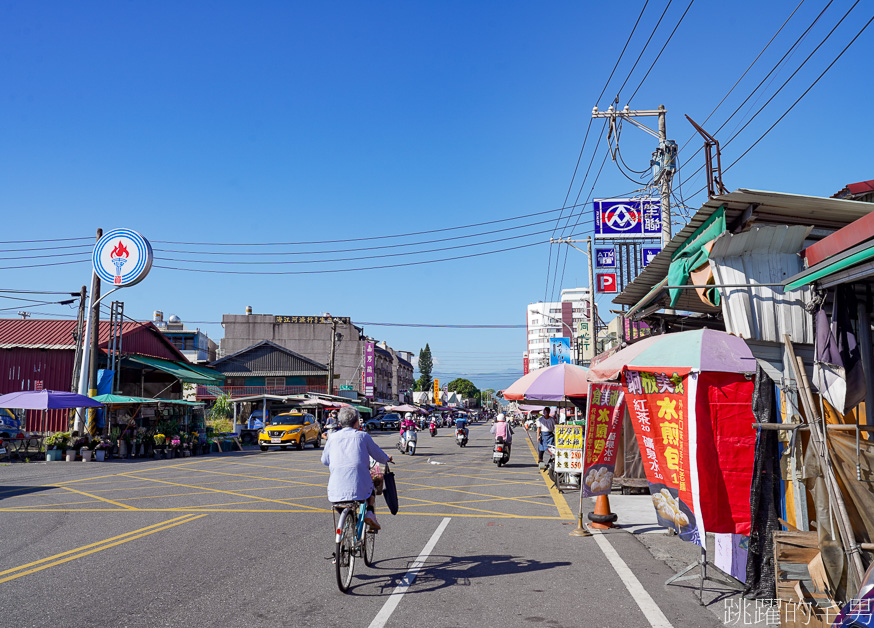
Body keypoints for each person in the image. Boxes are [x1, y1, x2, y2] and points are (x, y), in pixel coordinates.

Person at [321, 407, 392, 530]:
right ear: (356, 422)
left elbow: (325, 461)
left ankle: (351, 520)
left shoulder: (332, 437)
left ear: (340, 423)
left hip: (335, 491)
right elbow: (378, 455)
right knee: (371, 487)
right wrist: (387, 458)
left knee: (340, 503)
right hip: (360, 488)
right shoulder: (362, 436)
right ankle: (370, 512)